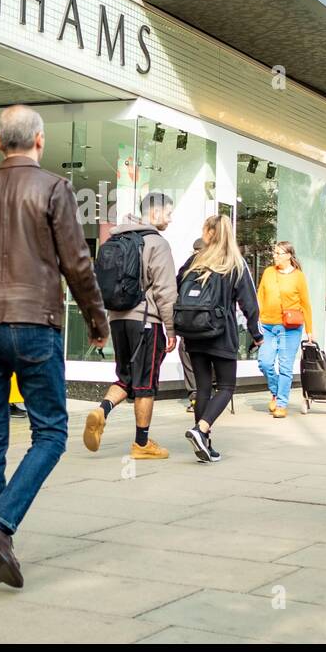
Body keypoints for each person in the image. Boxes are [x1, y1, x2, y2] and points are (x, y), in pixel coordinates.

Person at [0, 105, 109, 590]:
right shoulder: (53, 188)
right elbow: (77, 262)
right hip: (36, 324)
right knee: (51, 434)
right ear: (39, 141)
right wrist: (97, 321)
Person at [84, 192, 178, 458]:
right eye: (169, 214)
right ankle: (141, 444)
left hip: (117, 318)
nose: (170, 220)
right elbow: (165, 291)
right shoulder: (156, 243)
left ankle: (101, 410)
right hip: (147, 321)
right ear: (156, 213)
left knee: (125, 377)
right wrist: (171, 329)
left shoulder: (115, 238)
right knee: (145, 383)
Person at [177, 215, 263, 463]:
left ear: (207, 232)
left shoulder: (194, 260)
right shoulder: (235, 263)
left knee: (203, 388)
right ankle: (201, 430)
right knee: (226, 387)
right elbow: (250, 304)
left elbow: (177, 287)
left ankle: (204, 443)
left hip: (194, 333)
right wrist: (256, 334)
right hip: (221, 333)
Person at [257, 241, 313, 418]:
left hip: (290, 328)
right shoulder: (268, 273)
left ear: (289, 255)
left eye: (279, 253)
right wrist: (255, 322)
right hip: (267, 325)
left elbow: (305, 304)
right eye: (274, 252)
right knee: (264, 362)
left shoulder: (298, 276)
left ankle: (281, 403)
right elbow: (259, 297)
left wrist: (310, 330)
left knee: (285, 366)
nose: (275, 256)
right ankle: (275, 390)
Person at [178, 237, 205, 415]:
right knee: (184, 349)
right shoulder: (187, 270)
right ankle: (195, 393)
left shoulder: (218, 268)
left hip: (207, 322)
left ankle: (205, 390)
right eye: (195, 252)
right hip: (189, 320)